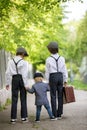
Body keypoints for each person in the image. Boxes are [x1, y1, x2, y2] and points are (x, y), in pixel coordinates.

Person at [5, 47, 29, 124]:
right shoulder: (24, 62)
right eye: (24, 55)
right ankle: (24, 118)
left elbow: (7, 73)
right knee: (23, 98)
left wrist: (7, 83)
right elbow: (24, 75)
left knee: (14, 99)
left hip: (14, 79)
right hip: (21, 79)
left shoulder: (10, 61)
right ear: (22, 54)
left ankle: (13, 119)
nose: (24, 56)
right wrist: (26, 84)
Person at [45, 41, 68, 119]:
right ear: (57, 49)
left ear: (50, 50)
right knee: (60, 96)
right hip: (60, 76)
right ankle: (59, 114)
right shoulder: (62, 58)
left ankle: (54, 114)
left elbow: (47, 71)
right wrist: (65, 80)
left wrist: (47, 81)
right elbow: (64, 69)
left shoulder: (48, 59)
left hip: (53, 77)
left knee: (53, 96)